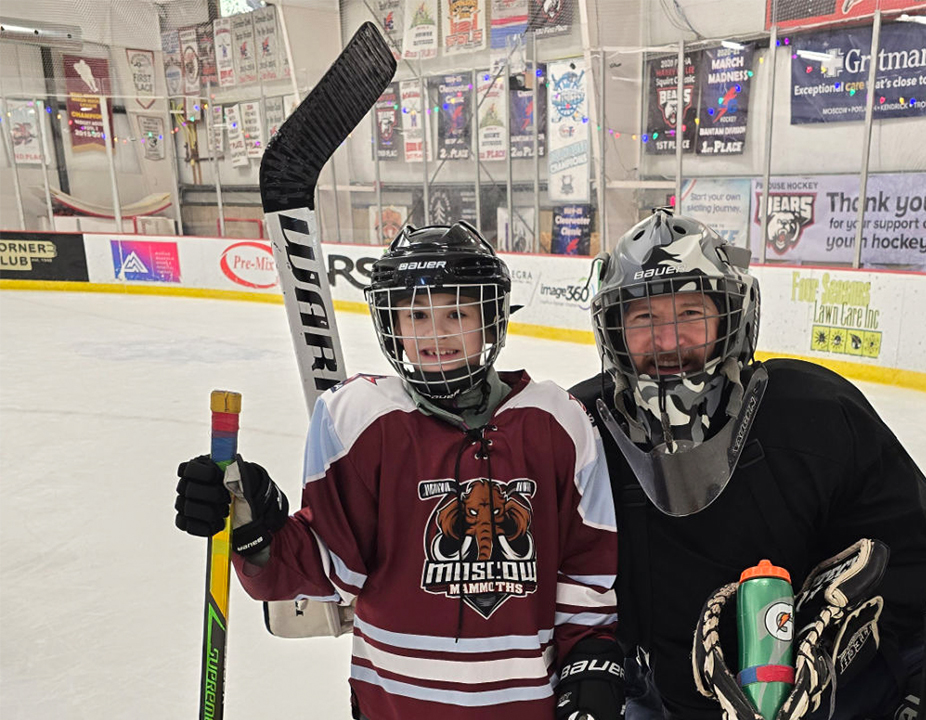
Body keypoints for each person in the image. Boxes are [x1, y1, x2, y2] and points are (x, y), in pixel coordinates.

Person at [174, 223, 625, 720]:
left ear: (491, 319)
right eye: (416, 314)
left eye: (457, 313)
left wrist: (591, 661)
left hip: (525, 707)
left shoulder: (558, 421)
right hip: (394, 706)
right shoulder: (357, 418)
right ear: (392, 323)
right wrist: (255, 527)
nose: (436, 333)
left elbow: (586, 570)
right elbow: (328, 568)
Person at [570, 209, 926, 720]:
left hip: (808, 699)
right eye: (644, 318)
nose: (668, 340)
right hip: (650, 690)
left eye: (691, 313)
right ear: (613, 330)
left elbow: (912, 557)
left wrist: (914, 675)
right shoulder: (580, 430)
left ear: (733, 317)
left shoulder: (818, 416)